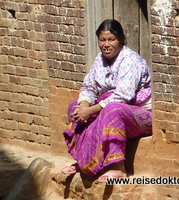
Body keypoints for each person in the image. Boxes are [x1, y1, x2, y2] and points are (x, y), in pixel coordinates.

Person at [59, 19, 152, 182]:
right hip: (108, 106)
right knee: (74, 106)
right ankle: (84, 162)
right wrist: (84, 106)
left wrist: (90, 111)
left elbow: (124, 96)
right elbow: (89, 86)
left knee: (113, 110)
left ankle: (118, 167)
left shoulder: (131, 60)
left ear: (121, 40)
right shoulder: (99, 60)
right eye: (102, 40)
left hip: (140, 115)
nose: (106, 44)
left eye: (111, 40)